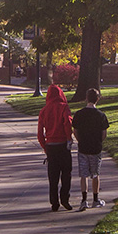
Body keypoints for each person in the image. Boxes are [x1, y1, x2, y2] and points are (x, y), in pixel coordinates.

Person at [71, 87, 110, 211]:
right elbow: (104, 134)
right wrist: (98, 142)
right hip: (95, 148)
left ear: (86, 98)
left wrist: (80, 140)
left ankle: (83, 200)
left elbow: (75, 131)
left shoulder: (79, 114)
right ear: (98, 99)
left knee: (83, 175)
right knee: (95, 174)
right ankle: (95, 199)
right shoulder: (101, 115)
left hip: (83, 147)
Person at [37, 84, 73, 212]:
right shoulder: (64, 107)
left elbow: (40, 132)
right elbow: (68, 123)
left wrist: (44, 146)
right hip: (63, 144)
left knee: (53, 177)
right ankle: (65, 199)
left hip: (51, 146)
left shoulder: (44, 111)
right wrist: (69, 138)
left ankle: (54, 202)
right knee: (66, 174)